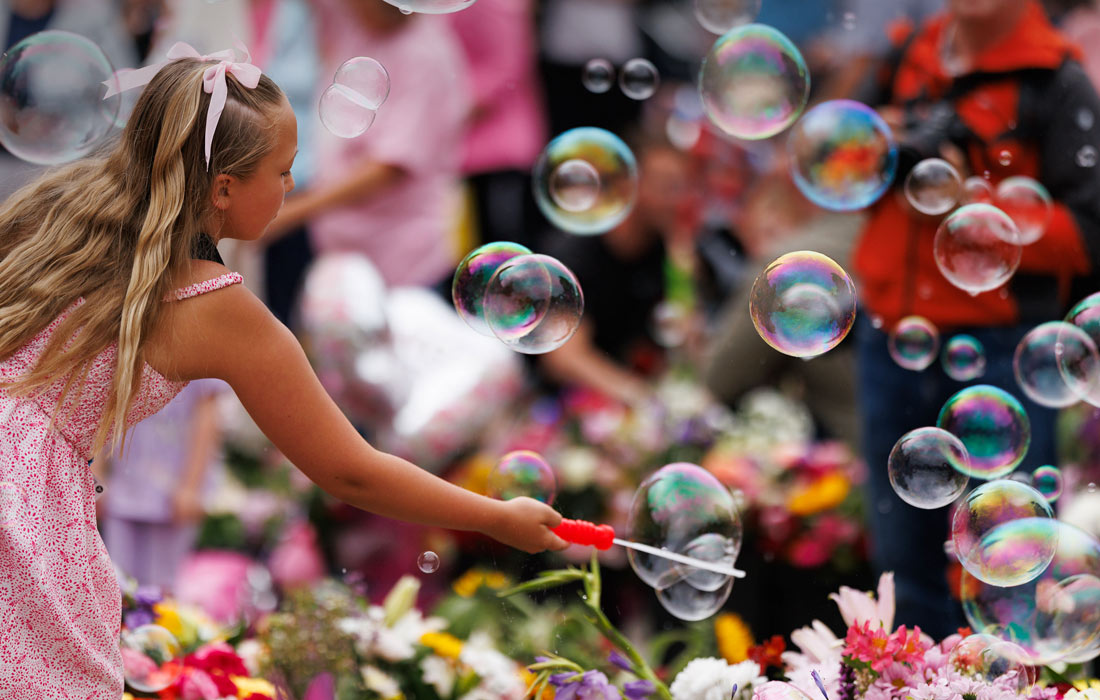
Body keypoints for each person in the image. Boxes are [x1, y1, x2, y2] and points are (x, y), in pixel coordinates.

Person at [0, 49, 565, 698]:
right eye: (284, 171)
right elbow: (350, 469)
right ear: (223, 190)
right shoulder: (213, 303)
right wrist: (495, 517)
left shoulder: (70, 214)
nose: (292, 188)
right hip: (23, 504)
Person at [852, 0, 1100, 638]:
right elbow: (847, 177)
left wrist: (973, 203)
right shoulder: (909, 54)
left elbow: (1089, 235)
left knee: (1007, 562)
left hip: (1000, 351)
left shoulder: (1055, 81)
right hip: (891, 337)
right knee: (901, 564)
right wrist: (871, 147)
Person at [264, 0, 470, 290]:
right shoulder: (358, 25)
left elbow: (390, 167)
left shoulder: (425, 55)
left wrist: (287, 214)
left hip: (404, 264)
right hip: (343, 253)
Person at [703, 175, 865, 448]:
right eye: (753, 237)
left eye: (771, 229)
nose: (761, 246)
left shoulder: (785, 266)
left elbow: (721, 378)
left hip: (860, 454)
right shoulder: (886, 240)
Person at [540, 138, 696, 404]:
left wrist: (682, 267)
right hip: (567, 404)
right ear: (628, 187)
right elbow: (562, 358)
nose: (678, 200)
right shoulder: (575, 251)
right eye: (666, 185)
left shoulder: (665, 248)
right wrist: (640, 397)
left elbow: (686, 340)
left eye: (682, 186)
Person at [100, 379, 227, 591]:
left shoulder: (201, 353)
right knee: (114, 580)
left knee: (162, 585)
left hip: (173, 490)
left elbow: (207, 417)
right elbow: (104, 406)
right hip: (123, 487)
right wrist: (97, 480)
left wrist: (191, 487)